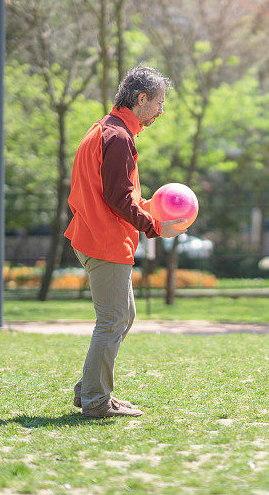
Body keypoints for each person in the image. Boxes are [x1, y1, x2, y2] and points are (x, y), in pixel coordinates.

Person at [65, 65, 186, 419]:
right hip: (104, 241)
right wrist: (154, 228)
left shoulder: (107, 128)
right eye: (159, 102)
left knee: (124, 316)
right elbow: (118, 199)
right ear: (141, 98)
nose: (161, 110)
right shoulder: (117, 137)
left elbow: (119, 195)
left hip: (97, 236)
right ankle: (95, 400)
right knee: (113, 320)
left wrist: (151, 209)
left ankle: (92, 389)